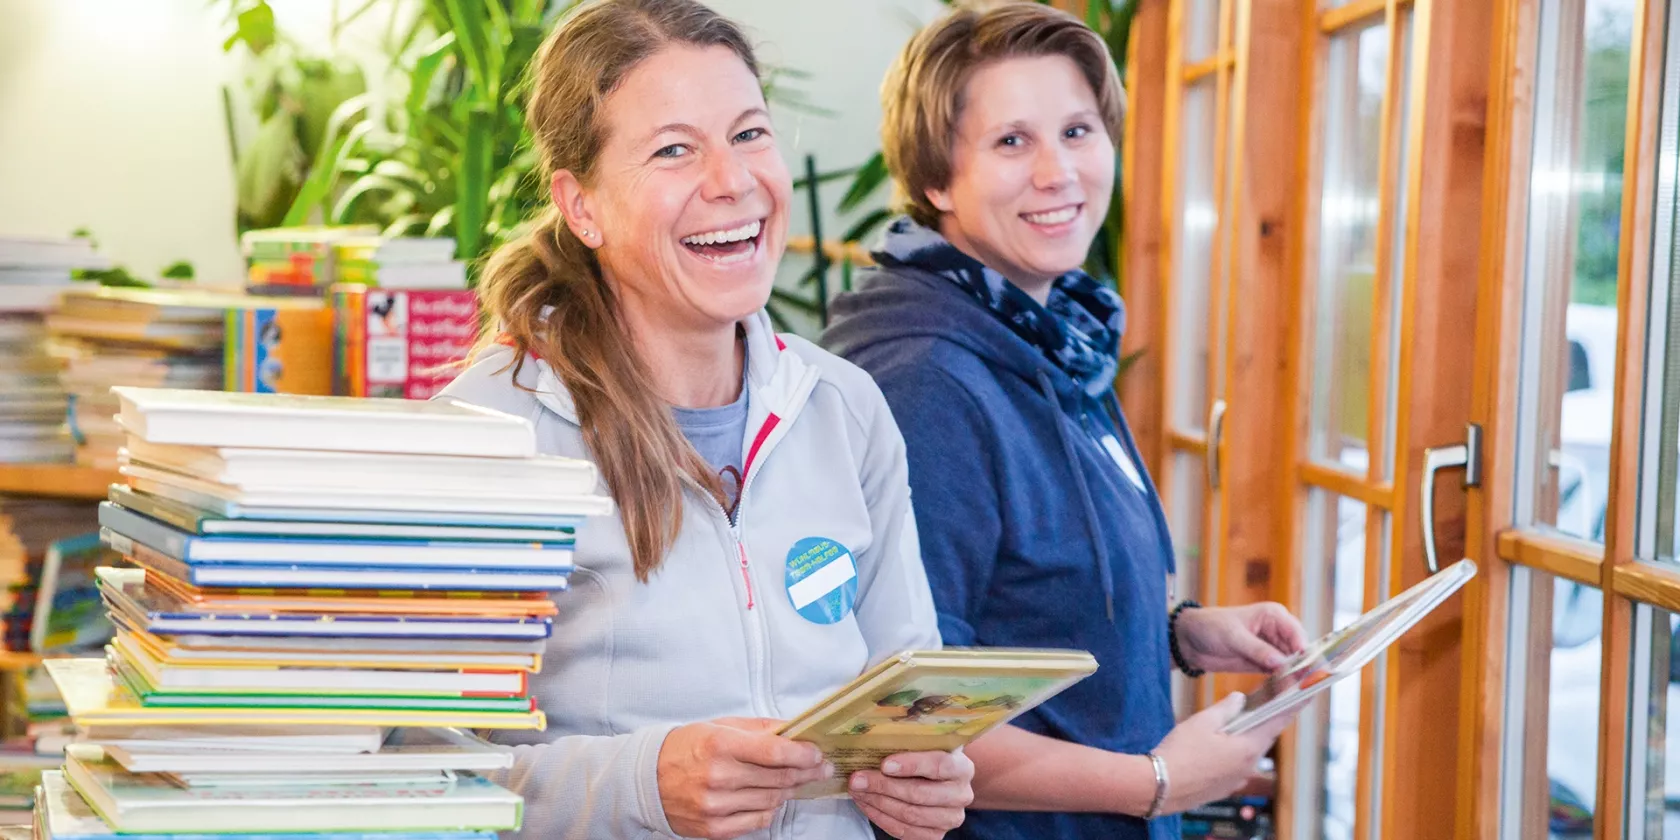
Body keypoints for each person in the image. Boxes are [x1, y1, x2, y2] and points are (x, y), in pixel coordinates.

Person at [436, 1, 973, 838]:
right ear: (581, 206)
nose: (731, 180)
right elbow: (422, 765)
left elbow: (911, 694)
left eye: (749, 134)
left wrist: (925, 776)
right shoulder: (490, 434)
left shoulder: (844, 408)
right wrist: (641, 784)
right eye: (674, 150)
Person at [822, 3, 1309, 838]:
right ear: (937, 179)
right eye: (1012, 141)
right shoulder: (927, 383)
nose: (1059, 172)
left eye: (1078, 131)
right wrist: (1157, 781)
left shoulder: (1054, 336)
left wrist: (1180, 634)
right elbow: (912, 719)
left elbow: (1025, 605)